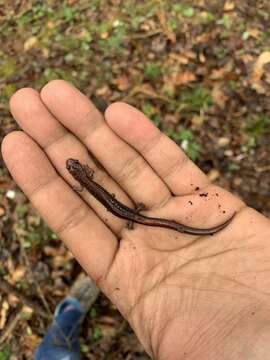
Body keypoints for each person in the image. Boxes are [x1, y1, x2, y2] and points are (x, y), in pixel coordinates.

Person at [2, 80, 270, 360]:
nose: (74, 168)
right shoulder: (87, 178)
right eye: (74, 168)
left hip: (126, 213)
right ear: (79, 171)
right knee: (134, 215)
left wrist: (110, 202)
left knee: (135, 215)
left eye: (74, 167)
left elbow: (87, 187)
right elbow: (91, 184)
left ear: (77, 172)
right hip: (126, 213)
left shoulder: (82, 181)